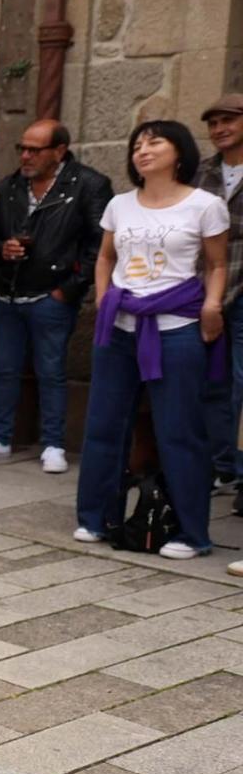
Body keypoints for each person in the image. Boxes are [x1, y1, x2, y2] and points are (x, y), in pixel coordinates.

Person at [76, 119, 230, 558]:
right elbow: (105, 258)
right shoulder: (120, 205)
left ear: (178, 152)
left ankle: (190, 533)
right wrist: (106, 301)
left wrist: (212, 306)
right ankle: (95, 518)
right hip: (120, 327)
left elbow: (217, 265)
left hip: (177, 327)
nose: (142, 150)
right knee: (105, 426)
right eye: (137, 145)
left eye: (154, 143)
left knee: (179, 430)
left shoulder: (205, 205)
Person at [0, 119, 110, 471]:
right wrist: (1, 251)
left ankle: (54, 444)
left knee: (52, 370)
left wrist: (68, 290)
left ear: (59, 151)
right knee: (4, 369)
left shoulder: (88, 184)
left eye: (34, 150)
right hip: (6, 293)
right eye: (21, 148)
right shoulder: (8, 186)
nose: (25, 156)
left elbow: (100, 244)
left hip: (50, 296)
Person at [195, 93, 243, 492]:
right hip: (206, 288)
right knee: (210, 381)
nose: (219, 129)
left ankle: (240, 471)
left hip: (242, 288)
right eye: (213, 123)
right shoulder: (202, 171)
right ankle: (218, 462)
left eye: (228, 120)